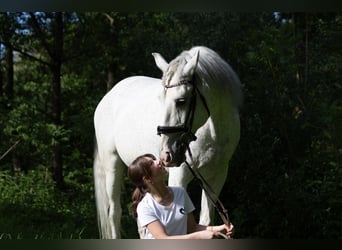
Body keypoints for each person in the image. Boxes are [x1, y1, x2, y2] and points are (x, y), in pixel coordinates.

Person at [127, 153, 234, 239]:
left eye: (154, 159)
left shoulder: (180, 193)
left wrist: (220, 229)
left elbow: (193, 227)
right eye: (151, 163)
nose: (158, 161)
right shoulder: (145, 207)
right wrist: (199, 237)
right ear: (147, 179)